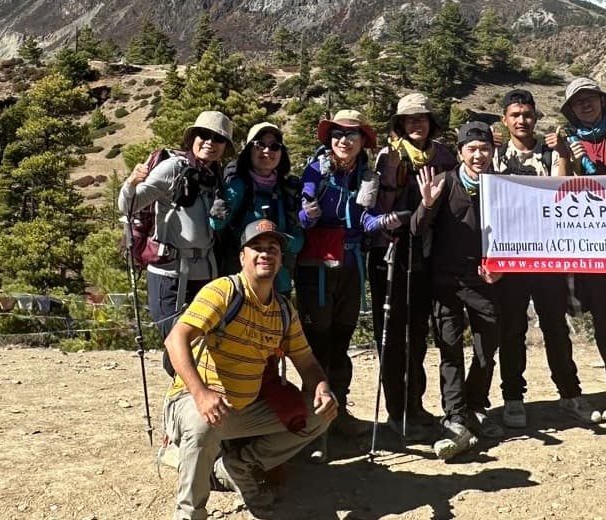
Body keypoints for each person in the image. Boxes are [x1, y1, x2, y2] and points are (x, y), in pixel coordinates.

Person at [163, 219, 338, 520]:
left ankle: (241, 465)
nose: (265, 253)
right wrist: (201, 394)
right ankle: (189, 513)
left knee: (319, 415)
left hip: (244, 408)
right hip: (193, 401)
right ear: (242, 256)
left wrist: (322, 388)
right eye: (256, 247)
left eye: (272, 248)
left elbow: (306, 362)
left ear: (281, 258)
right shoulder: (223, 292)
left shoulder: (283, 310)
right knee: (203, 424)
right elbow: (175, 338)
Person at [296, 108, 399, 447]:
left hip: (352, 262)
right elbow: (304, 211)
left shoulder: (366, 177)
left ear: (361, 141)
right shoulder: (316, 170)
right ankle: (312, 418)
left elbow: (365, 220)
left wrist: (383, 223)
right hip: (317, 266)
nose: (344, 140)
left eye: (351, 135)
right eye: (338, 134)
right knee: (316, 340)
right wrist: (305, 216)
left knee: (341, 337)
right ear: (330, 138)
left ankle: (336, 411)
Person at [491, 88, 591, 428]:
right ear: (505, 119)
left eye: (527, 114)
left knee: (555, 327)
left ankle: (570, 393)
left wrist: (562, 152)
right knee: (512, 330)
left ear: (536, 117)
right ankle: (513, 397)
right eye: (515, 114)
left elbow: (562, 192)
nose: (522, 120)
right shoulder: (495, 155)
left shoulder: (549, 154)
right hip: (510, 257)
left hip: (549, 256)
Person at [412, 120, 505, 460]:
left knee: (486, 348)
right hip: (446, 282)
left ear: (493, 152)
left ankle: (476, 405)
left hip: (485, 281)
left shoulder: (501, 185)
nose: (478, 155)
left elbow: (515, 233)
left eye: (485, 149)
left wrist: (501, 269)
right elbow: (416, 228)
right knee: (449, 349)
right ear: (460, 152)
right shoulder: (443, 183)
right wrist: (426, 203)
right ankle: (455, 416)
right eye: (472, 149)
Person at [550, 76, 606, 424]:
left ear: (603, 101)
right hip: (594, 245)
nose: (586, 105)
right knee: (604, 322)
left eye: (592, 98)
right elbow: (560, 192)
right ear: (571, 110)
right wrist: (564, 160)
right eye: (578, 102)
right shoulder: (567, 144)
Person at [369, 91, 455, 440]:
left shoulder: (444, 156)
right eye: (409, 118)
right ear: (400, 124)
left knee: (417, 336)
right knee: (391, 338)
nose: (416, 123)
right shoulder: (386, 158)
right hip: (389, 254)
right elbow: (370, 208)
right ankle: (397, 410)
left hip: (427, 255)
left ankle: (415, 406)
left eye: (422, 117)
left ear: (431, 122)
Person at [121, 110, 234, 373]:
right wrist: (131, 183)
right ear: (192, 138)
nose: (210, 142)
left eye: (218, 139)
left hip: (205, 273)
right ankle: (183, 402)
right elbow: (130, 204)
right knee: (178, 343)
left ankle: (194, 402)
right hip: (169, 274)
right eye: (204, 135)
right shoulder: (173, 168)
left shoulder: (216, 175)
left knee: (202, 343)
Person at [210, 121, 305, 294]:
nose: (267, 151)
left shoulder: (288, 189)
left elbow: (299, 239)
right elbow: (218, 226)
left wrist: (279, 240)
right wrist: (217, 216)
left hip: (278, 284)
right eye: (260, 145)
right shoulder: (237, 186)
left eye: (274, 146)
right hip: (241, 283)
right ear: (249, 150)